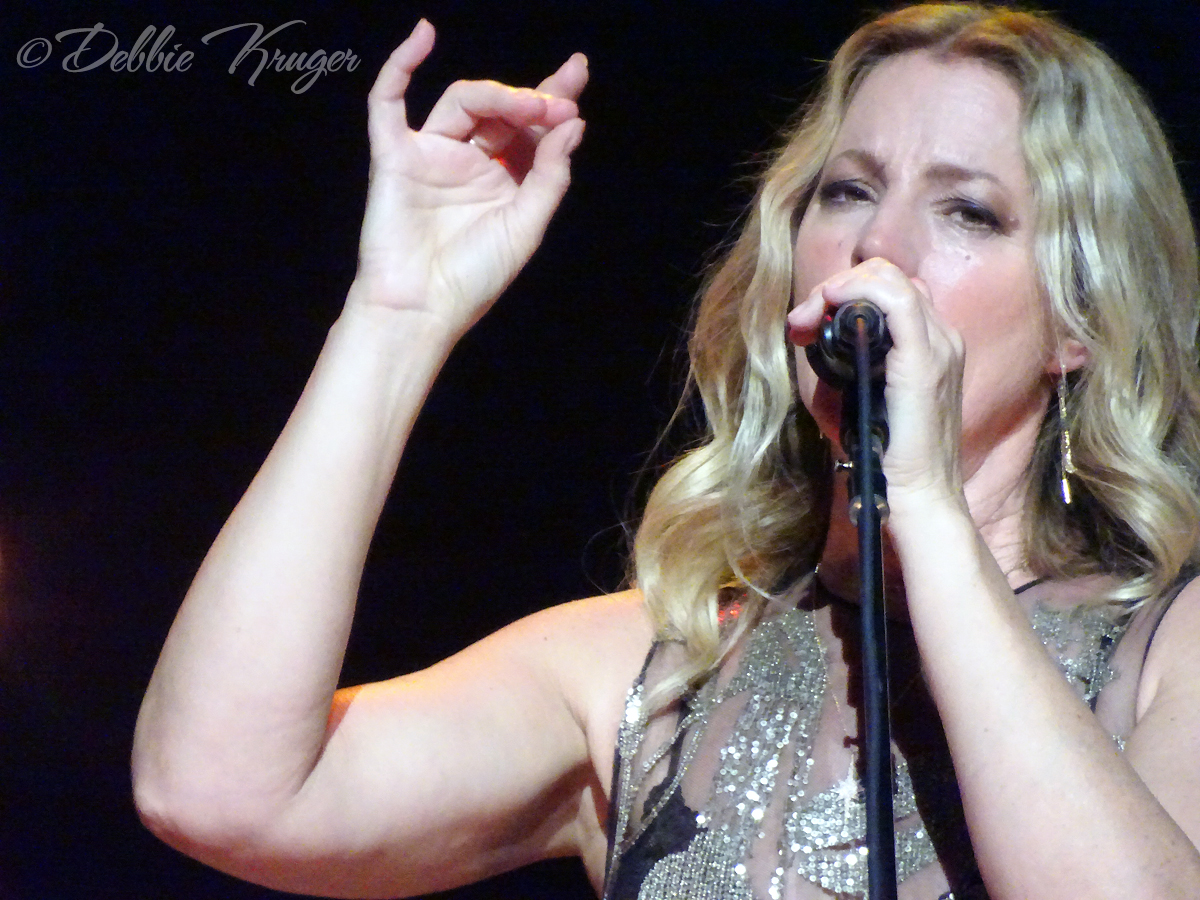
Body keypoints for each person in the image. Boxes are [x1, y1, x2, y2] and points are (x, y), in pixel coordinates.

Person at [131, 4, 1200, 899]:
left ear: (1079, 321)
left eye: (968, 211)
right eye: (848, 191)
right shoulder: (654, 665)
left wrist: (920, 500)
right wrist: (394, 317)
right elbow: (218, 790)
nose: (879, 247)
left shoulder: (1171, 650)